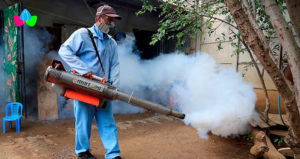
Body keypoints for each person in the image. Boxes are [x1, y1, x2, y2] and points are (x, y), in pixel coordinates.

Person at [58, 5, 122, 159]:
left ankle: (113, 153)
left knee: (108, 122)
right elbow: (64, 51)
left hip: (104, 89)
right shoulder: (82, 34)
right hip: (84, 87)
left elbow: (115, 65)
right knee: (83, 121)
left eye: (114, 19)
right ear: (99, 18)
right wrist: (83, 69)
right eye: (109, 19)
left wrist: (113, 86)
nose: (112, 22)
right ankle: (82, 151)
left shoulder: (112, 43)